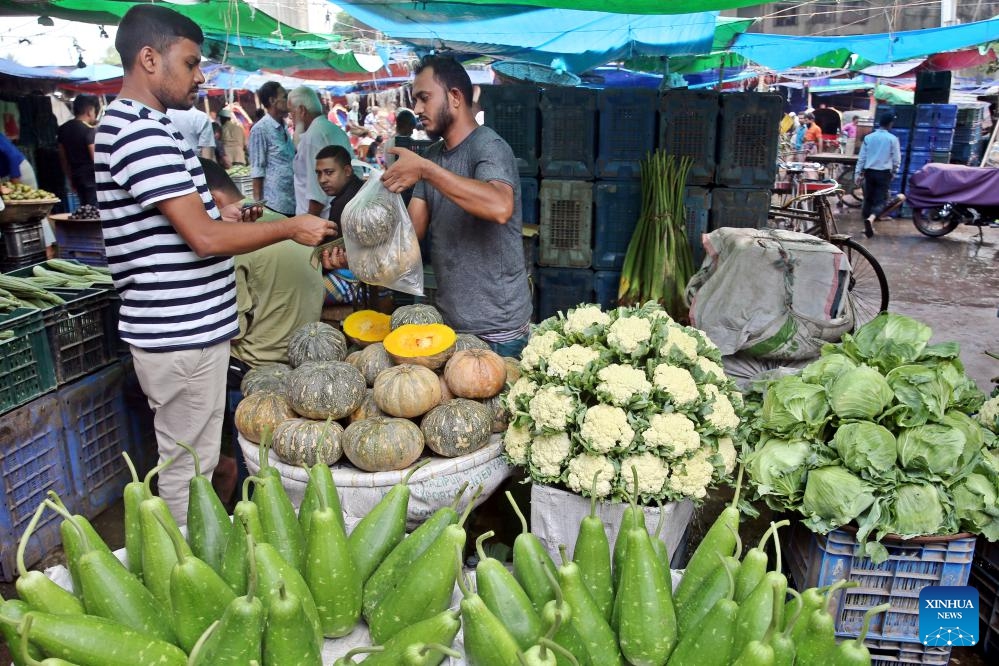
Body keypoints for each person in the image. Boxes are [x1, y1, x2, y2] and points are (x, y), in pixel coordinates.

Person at [94, 4, 335, 521]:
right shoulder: (139, 131)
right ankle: (185, 578)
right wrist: (290, 227)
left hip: (189, 333)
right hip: (180, 336)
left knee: (196, 464)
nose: (201, 76)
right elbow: (203, 239)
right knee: (188, 474)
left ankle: (194, 565)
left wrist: (220, 211)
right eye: (191, 62)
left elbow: (187, 224)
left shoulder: (149, 127)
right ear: (149, 58)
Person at [381, 54, 532, 357]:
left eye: (424, 98)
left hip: (497, 332)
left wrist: (426, 170)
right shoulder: (433, 157)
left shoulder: (489, 146)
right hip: (448, 324)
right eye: (415, 100)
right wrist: (357, 246)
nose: (418, 109)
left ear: (454, 97)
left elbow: (500, 206)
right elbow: (410, 235)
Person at [199, 158, 326, 490]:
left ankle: (244, 492)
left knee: (253, 460)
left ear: (212, 199)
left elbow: (233, 328)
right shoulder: (283, 222)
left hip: (258, 371)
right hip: (305, 358)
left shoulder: (236, 242)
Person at [287, 86, 352, 218]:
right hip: (341, 212)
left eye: (292, 113)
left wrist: (309, 224)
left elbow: (317, 193)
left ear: (301, 110)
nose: (291, 118)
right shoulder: (334, 129)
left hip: (321, 219)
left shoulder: (313, 137)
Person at [314, 144, 366, 305]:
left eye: (329, 173)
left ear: (348, 171)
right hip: (370, 277)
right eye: (319, 174)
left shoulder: (345, 203)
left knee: (301, 290)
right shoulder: (360, 190)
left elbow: (328, 257)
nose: (322, 180)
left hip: (359, 283)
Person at [0, 133, 58, 254]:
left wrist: (15, 180)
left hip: (19, 170)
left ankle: (48, 249)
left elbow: (12, 157)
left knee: (35, 211)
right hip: (7, 176)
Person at [248, 81, 295, 216]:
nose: (288, 100)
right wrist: (257, 205)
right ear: (273, 100)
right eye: (284, 97)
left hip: (292, 200)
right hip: (274, 204)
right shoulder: (261, 129)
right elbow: (257, 169)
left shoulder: (284, 127)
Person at [855, 113, 904, 238]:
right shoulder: (893, 139)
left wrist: (858, 174)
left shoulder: (869, 138)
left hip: (869, 172)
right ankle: (871, 219)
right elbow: (897, 159)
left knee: (868, 199)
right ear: (890, 124)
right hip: (884, 173)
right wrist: (894, 172)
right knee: (881, 200)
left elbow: (862, 158)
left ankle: (865, 227)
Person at [57, 94, 99, 206]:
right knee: (95, 212)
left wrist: (70, 178)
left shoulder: (62, 129)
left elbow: (63, 159)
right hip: (91, 179)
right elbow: (95, 158)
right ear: (90, 111)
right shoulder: (89, 130)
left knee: (84, 210)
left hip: (77, 177)